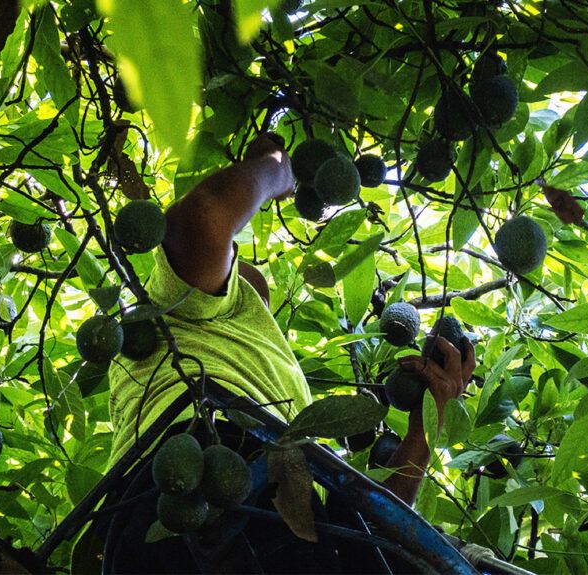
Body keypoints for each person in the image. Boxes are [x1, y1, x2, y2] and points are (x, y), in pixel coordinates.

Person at [100, 133, 475, 573]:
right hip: (200, 481)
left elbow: (373, 533)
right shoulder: (176, 306)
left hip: (247, 502)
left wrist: (429, 424)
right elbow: (203, 219)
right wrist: (274, 168)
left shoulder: (268, 366)